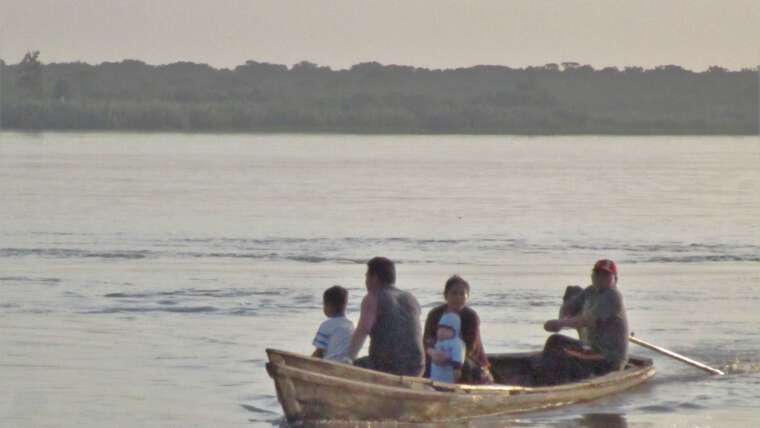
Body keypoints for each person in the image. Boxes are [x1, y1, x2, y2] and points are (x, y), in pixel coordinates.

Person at [534, 259, 629, 386]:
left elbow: (587, 320)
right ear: (592, 276)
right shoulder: (590, 291)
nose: (600, 278)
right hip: (593, 348)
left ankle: (546, 384)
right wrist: (563, 318)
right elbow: (568, 306)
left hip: (609, 358)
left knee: (556, 343)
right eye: (597, 274)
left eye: (606, 275)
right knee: (557, 341)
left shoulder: (612, 296)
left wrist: (560, 324)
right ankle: (544, 378)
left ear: (615, 279)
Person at [347, 256, 425, 376]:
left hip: (387, 367)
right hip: (417, 366)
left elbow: (362, 330)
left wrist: (346, 359)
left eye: (366, 276)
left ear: (374, 278)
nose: (366, 281)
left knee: (354, 366)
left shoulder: (373, 297)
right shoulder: (410, 298)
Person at [423, 275, 493, 383]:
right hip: (438, 353)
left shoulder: (470, 316)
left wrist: (448, 357)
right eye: (454, 293)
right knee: (425, 363)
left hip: (468, 358)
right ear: (446, 296)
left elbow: (470, 347)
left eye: (462, 294)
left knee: (462, 365)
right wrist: (433, 353)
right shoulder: (435, 314)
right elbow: (427, 339)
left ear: (467, 297)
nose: (458, 297)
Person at [311, 285, 355, 364]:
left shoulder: (326, 325)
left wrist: (307, 363)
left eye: (324, 305)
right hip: (347, 365)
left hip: (330, 366)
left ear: (330, 306)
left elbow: (319, 352)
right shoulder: (351, 325)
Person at [427, 312, 465, 383]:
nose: (442, 331)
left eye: (447, 329)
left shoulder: (456, 343)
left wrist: (456, 369)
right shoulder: (438, 341)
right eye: (440, 328)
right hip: (435, 376)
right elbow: (429, 348)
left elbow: (458, 358)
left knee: (446, 384)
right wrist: (432, 352)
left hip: (448, 377)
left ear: (455, 331)